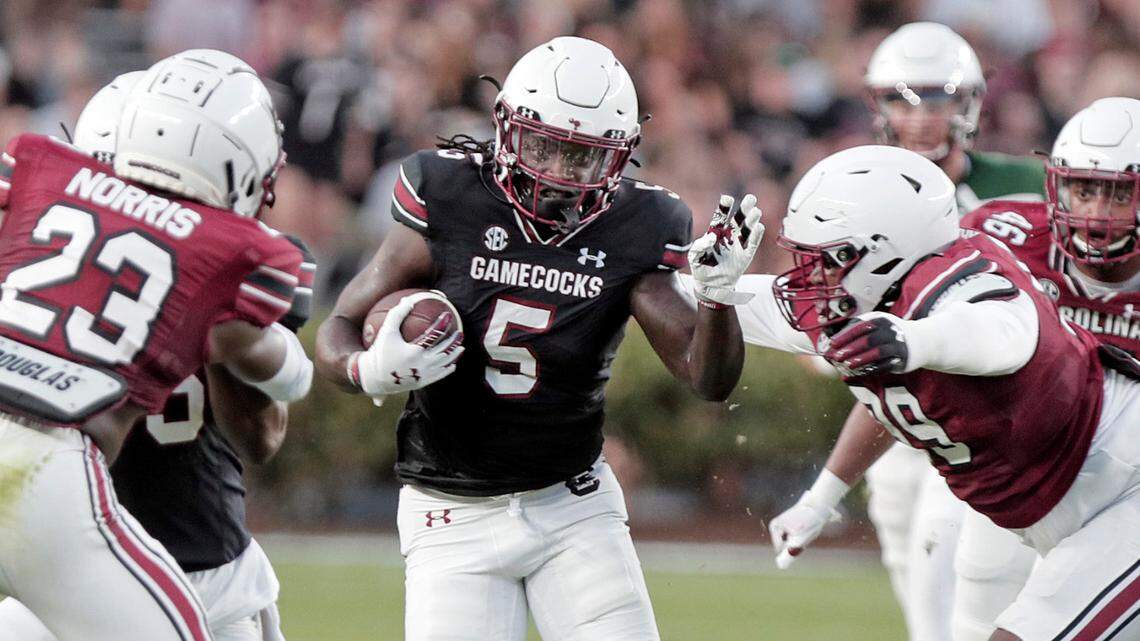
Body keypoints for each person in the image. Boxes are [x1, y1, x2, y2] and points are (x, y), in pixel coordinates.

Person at [314, 36, 759, 641]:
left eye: (583, 157)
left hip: (573, 506)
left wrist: (718, 297)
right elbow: (340, 326)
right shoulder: (449, 195)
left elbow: (706, 378)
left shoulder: (640, 225)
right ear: (505, 126)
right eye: (545, 147)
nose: (559, 174)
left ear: (621, 155)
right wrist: (368, 370)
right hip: (451, 510)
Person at [736, 144, 1140, 641]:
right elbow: (882, 393)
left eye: (829, 258)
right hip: (1040, 493)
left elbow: (1002, 334)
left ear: (884, 251)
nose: (809, 277)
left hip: (1120, 477)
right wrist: (699, 284)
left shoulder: (956, 287)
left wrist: (914, 341)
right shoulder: (869, 305)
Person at [0, 48, 311, 641]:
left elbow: (263, 437)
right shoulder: (243, 255)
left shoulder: (228, 260)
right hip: (72, 535)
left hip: (197, 561)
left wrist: (213, 327)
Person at [841, 22, 1048, 640]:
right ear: (880, 106)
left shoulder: (1024, 185)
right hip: (895, 412)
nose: (922, 116)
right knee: (913, 566)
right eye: (904, 98)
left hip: (988, 408)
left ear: (969, 103)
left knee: (960, 570)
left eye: (938, 98)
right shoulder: (857, 187)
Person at [948, 96, 1140, 641]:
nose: (1097, 214)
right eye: (1084, 188)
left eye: (1119, 192)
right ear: (1055, 185)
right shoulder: (1004, 242)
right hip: (1023, 482)